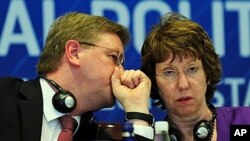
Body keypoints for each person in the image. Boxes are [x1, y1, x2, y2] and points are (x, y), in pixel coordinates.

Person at [0, 12, 154, 141]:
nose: (120, 72)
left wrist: (137, 109)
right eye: (114, 57)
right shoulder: (4, 97)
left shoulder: (99, 136)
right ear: (74, 53)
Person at [140, 12, 250, 141]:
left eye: (192, 69)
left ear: (207, 74)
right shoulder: (151, 138)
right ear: (154, 83)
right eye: (169, 72)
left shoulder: (244, 122)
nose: (183, 85)